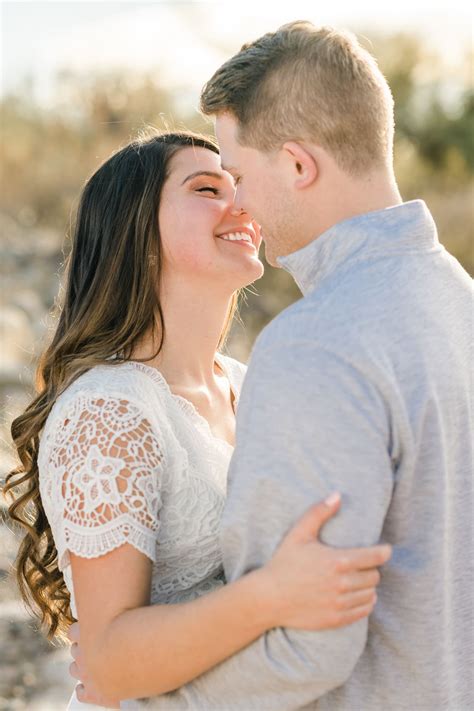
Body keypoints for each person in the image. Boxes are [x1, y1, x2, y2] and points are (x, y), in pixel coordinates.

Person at [77, 20, 470, 710]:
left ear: (297, 164)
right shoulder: (459, 303)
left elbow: (306, 647)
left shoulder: (317, 342)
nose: (241, 203)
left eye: (238, 172)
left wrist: (138, 697)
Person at [4, 130, 391, 710]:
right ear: (135, 230)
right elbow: (111, 664)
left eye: (240, 186)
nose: (242, 204)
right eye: (208, 188)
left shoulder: (248, 381)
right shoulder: (107, 411)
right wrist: (273, 596)